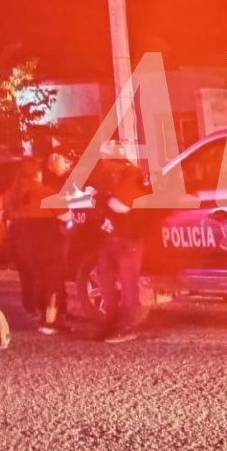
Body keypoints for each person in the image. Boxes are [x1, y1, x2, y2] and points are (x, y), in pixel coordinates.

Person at [3, 159, 72, 334]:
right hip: (47, 243)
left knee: (34, 279)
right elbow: (67, 217)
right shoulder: (48, 194)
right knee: (53, 280)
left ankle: (39, 316)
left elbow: (8, 221)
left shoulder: (10, 196)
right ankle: (50, 322)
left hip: (22, 244)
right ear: (38, 174)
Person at [93, 141, 150, 344]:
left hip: (128, 238)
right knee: (105, 279)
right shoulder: (109, 175)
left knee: (128, 284)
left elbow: (122, 205)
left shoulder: (131, 174)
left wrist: (104, 200)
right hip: (111, 237)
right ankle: (110, 323)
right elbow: (104, 200)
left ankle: (127, 327)